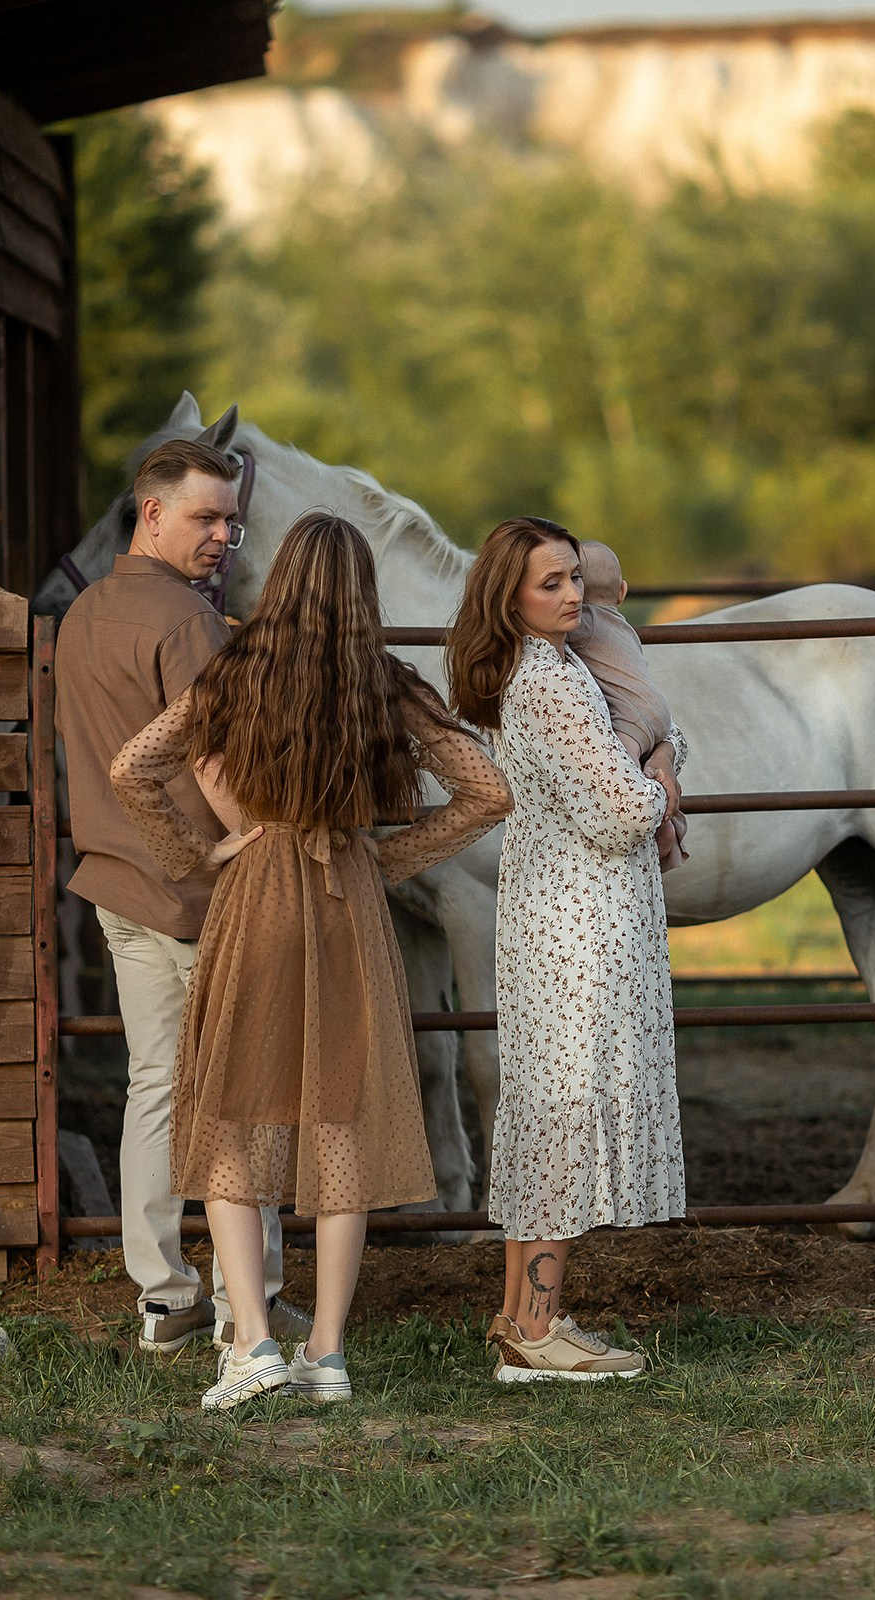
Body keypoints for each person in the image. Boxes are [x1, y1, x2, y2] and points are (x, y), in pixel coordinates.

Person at [110, 511, 511, 1409]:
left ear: (281, 582)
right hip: (346, 904)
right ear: (363, 592)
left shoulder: (233, 673)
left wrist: (197, 852)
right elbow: (489, 791)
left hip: (254, 895)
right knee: (341, 1124)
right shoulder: (386, 682)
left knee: (231, 1121)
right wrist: (387, 857)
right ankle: (326, 1352)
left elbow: (132, 767)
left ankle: (250, 1340)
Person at [56, 438, 309, 1357]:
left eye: (234, 520)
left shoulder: (82, 615)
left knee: (157, 1086)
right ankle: (254, 1303)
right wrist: (260, 844)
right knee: (246, 1096)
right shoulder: (187, 623)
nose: (225, 537)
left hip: (119, 886)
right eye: (206, 517)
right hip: (203, 891)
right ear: (151, 512)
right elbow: (218, 762)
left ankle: (164, 1297)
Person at [446, 517, 687, 1383]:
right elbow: (620, 810)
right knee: (564, 1115)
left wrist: (649, 757)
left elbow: (630, 762)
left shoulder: (549, 668)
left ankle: (522, 1316)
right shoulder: (548, 681)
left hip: (556, 912)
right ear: (506, 592)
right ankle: (536, 1329)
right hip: (580, 922)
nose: (574, 596)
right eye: (550, 583)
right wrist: (658, 770)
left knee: (546, 1111)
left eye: (575, 579)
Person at [568, 541, 688, 870]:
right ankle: (671, 824)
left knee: (625, 771)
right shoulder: (623, 625)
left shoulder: (585, 621)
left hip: (631, 716)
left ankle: (661, 826)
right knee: (652, 773)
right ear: (622, 592)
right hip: (656, 709)